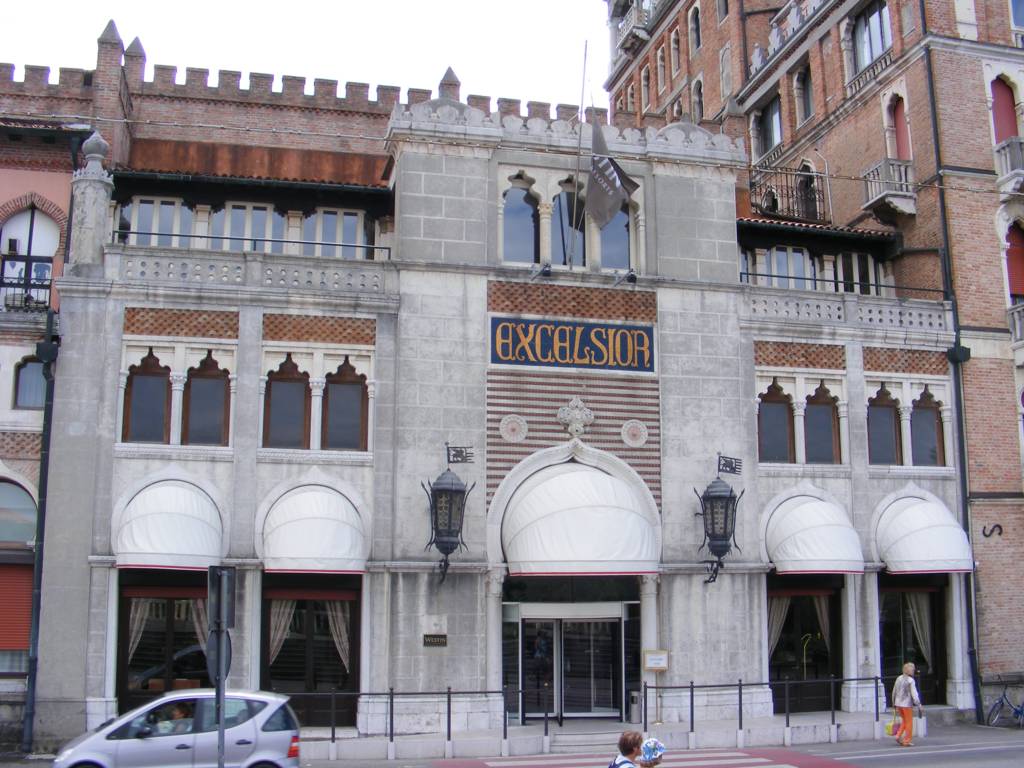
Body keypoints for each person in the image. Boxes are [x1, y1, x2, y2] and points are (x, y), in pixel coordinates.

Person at [891, 662, 923, 746]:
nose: (914, 670)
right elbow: (914, 694)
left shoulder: (899, 678)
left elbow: (894, 691)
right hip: (907, 704)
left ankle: (898, 735)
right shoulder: (910, 680)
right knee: (909, 722)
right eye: (912, 669)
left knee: (904, 721)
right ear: (909, 670)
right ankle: (906, 740)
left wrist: (893, 702)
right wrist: (919, 704)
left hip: (898, 703)